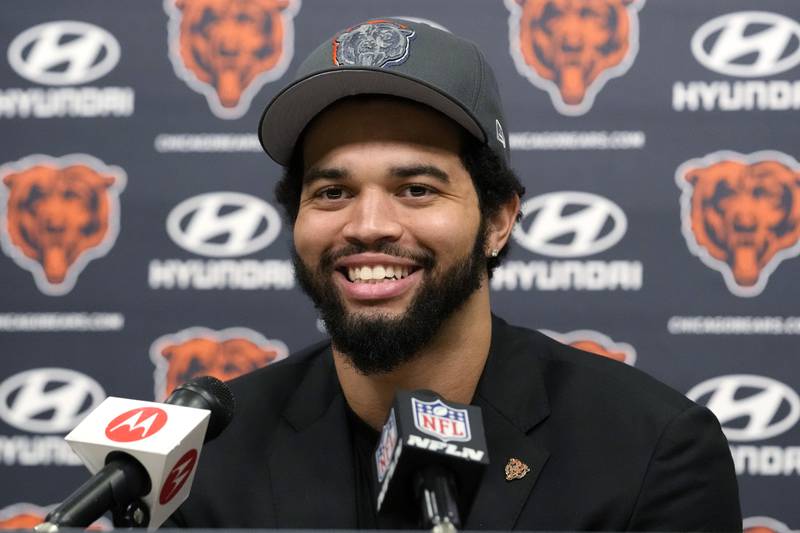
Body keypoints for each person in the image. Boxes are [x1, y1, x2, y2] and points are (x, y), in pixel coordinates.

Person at [167, 18, 741, 530]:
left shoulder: (650, 451)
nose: (368, 225)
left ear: (497, 220)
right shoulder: (212, 454)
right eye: (333, 192)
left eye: (416, 189)